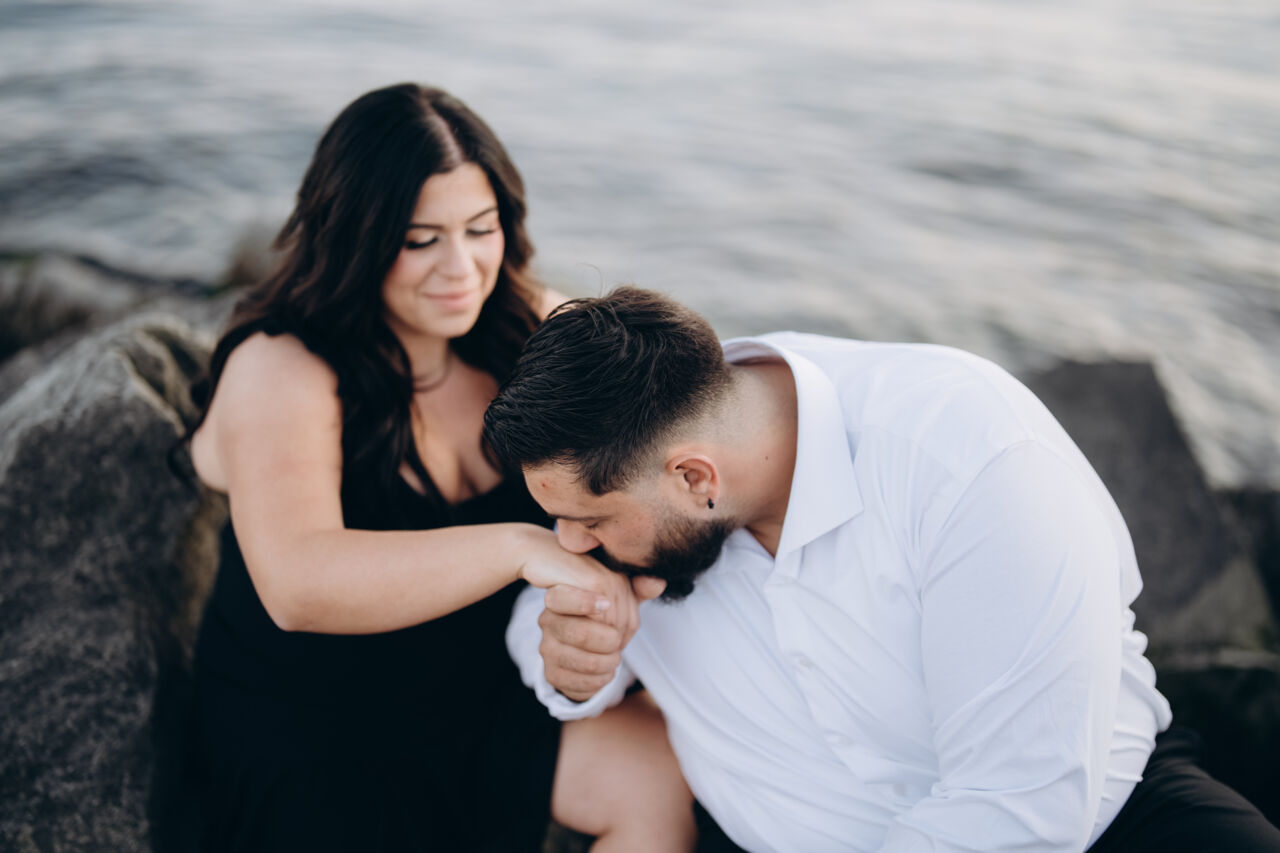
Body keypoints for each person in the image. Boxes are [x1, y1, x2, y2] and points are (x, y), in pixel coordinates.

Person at [484, 287, 1280, 852]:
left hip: (1107, 827)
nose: (569, 545)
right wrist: (577, 662)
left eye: (590, 522)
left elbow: (1022, 808)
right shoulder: (658, 458)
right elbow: (539, 626)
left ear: (697, 479)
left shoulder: (970, 460)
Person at [184, 88, 695, 851]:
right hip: (313, 719)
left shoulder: (530, 327)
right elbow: (296, 583)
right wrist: (521, 548)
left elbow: (670, 447)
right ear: (355, 237)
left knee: (656, 777)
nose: (461, 268)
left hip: (478, 687)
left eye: (480, 229)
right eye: (420, 240)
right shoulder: (280, 365)